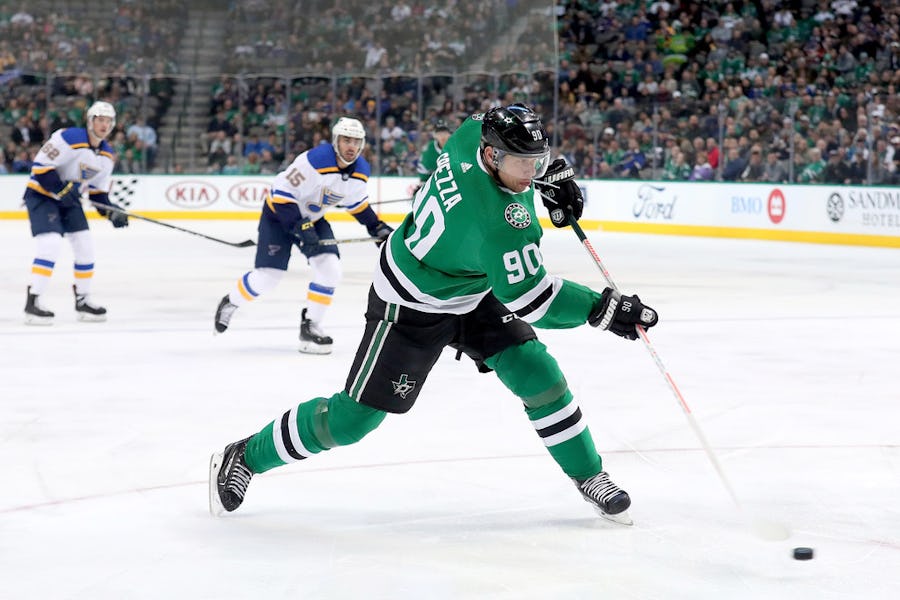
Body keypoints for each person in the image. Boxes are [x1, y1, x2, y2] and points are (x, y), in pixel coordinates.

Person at [209, 103, 659, 525]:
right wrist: (602, 308)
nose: (530, 172)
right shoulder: (501, 224)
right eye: (523, 164)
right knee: (352, 420)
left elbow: (504, 140)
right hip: (409, 304)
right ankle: (245, 455)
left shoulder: (471, 133)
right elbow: (534, 299)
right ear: (492, 155)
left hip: (471, 287)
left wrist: (549, 176)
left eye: (536, 161)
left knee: (538, 373)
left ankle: (588, 474)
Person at [213, 116, 393, 354]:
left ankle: (310, 325)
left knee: (330, 269)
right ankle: (231, 302)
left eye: (356, 141)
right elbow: (281, 193)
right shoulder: (314, 161)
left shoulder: (361, 171)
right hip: (279, 216)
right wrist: (299, 226)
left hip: (313, 220)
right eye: (346, 140)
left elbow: (356, 203)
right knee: (268, 278)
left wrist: (376, 227)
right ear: (336, 141)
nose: (351, 146)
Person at [22, 100, 129, 325]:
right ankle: (33, 301)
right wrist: (61, 189)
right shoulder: (69, 137)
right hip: (41, 196)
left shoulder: (106, 156)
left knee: (85, 246)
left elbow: (98, 194)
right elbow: (40, 167)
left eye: (108, 121)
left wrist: (112, 212)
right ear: (90, 121)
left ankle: (83, 300)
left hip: (69, 202)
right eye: (100, 120)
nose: (104, 125)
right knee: (50, 244)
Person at [415, 119, 452, 185]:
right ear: (434, 135)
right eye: (439, 133)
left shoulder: (456, 146)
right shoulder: (428, 150)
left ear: (450, 134)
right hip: (435, 184)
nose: (442, 136)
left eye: (445, 133)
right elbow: (423, 173)